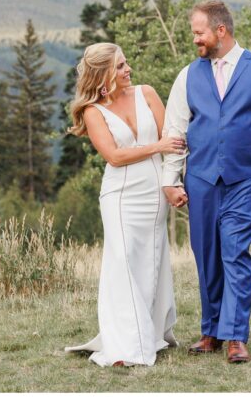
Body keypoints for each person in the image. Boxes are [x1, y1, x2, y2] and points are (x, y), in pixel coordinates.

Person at [162, 0, 251, 364]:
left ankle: (236, 335)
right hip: (201, 180)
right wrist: (170, 179)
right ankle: (211, 331)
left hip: (244, 179)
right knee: (206, 256)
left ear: (220, 31)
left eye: (199, 32)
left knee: (234, 250)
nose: (195, 40)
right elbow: (175, 130)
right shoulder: (188, 76)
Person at [64, 43, 185, 367]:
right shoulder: (93, 112)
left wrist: (173, 184)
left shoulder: (147, 93)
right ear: (103, 74)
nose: (128, 69)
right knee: (123, 263)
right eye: (119, 66)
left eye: (126, 63)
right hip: (121, 197)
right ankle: (128, 345)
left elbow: (174, 140)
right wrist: (156, 145)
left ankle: (153, 331)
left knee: (152, 260)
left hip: (154, 192)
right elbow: (115, 157)